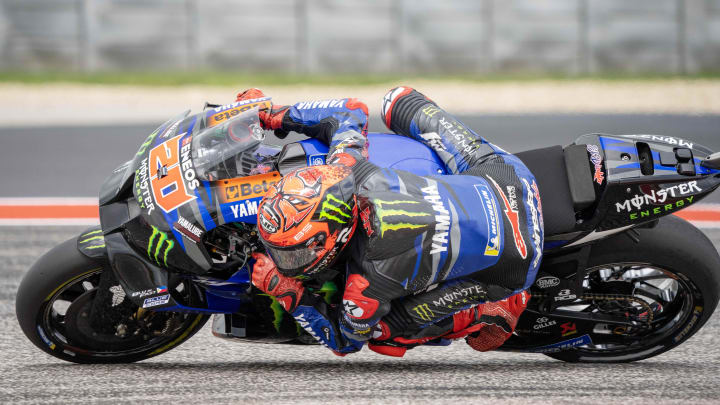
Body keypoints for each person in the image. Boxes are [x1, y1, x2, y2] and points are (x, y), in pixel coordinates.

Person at [243, 87, 543, 356]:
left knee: (383, 335)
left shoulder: (366, 283)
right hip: (509, 181)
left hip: (515, 262)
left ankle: (490, 312)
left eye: (293, 252)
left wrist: (284, 289)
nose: (286, 259)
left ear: (335, 236)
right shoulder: (351, 169)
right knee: (397, 100)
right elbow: (350, 109)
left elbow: (345, 340)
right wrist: (272, 115)